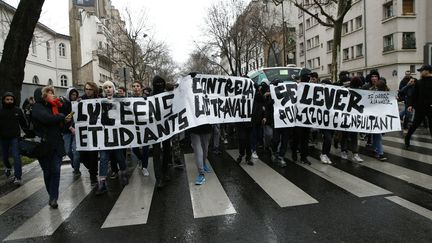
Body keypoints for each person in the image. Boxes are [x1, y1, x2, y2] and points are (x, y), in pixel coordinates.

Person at [31, 86, 71, 208]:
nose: (52, 95)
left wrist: (66, 121)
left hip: (56, 145)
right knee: (48, 172)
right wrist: (61, 116)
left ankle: (53, 197)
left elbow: (61, 127)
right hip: (43, 147)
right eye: (49, 93)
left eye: (52, 92)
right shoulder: (37, 108)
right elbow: (46, 119)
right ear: (42, 96)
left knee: (56, 171)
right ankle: (51, 194)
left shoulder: (54, 108)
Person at [95, 81, 129, 195]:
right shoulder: (99, 102)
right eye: (105, 88)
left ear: (113, 89)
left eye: (110, 87)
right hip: (104, 134)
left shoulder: (120, 101)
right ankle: (102, 183)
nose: (108, 89)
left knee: (119, 156)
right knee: (103, 158)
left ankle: (124, 173)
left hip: (116, 134)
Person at [151, 75, 175, 188]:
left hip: (166, 128)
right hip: (154, 129)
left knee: (167, 151)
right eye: (158, 84)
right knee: (156, 153)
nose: (160, 86)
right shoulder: (150, 97)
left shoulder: (168, 96)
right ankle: (159, 178)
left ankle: (164, 172)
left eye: (161, 84)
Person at [0, 92, 28, 185]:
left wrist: (27, 133)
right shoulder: (0, 111)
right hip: (3, 138)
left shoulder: (17, 110)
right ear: (4, 100)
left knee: (16, 156)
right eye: (7, 99)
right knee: (4, 157)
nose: (9, 101)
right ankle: (8, 167)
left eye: (11, 99)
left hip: (15, 138)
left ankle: (18, 177)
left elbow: (23, 123)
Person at [405, 64, 432, 147]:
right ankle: (407, 137)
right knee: (414, 125)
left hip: (431, 108)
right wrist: (410, 105)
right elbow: (414, 95)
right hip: (420, 108)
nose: (420, 72)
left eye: (421, 71)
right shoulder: (419, 82)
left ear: (427, 71)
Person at [79, 82, 100, 186]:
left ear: (94, 90)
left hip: (96, 132)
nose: (88, 91)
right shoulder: (81, 100)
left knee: (93, 155)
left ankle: (93, 176)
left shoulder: (100, 99)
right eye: (86, 89)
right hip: (84, 132)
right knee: (82, 156)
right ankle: (92, 169)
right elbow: (73, 113)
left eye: (90, 89)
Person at [339, 76, 364, 163]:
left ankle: (353, 153)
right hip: (346, 116)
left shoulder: (360, 91)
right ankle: (346, 151)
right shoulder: (345, 90)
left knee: (351, 135)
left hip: (353, 117)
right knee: (346, 135)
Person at [130, 80, 150, 177]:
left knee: (146, 148)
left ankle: (144, 167)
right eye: (134, 86)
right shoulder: (129, 100)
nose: (136, 88)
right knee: (134, 149)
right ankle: (141, 159)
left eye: (138, 86)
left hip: (144, 127)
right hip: (134, 127)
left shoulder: (146, 99)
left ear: (141, 88)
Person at [60, 87, 81, 176]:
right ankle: (74, 163)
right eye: (72, 94)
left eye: (75, 95)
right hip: (66, 131)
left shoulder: (77, 104)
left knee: (76, 151)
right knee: (68, 150)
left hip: (76, 131)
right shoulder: (63, 105)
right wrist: (69, 127)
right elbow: (63, 119)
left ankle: (76, 169)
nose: (74, 96)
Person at [369, 71, 388, 161]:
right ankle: (380, 153)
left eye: (375, 76)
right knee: (378, 135)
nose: (374, 78)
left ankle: (375, 149)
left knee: (377, 134)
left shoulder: (386, 91)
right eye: (372, 76)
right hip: (373, 116)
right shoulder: (369, 89)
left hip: (381, 116)